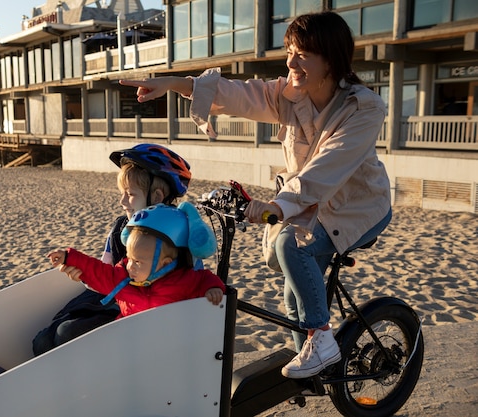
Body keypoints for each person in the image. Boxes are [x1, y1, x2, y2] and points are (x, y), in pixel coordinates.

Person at [119, 11, 392, 379]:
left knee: (290, 248)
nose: (292, 62)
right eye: (290, 51)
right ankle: (317, 369)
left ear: (332, 58)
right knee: (292, 295)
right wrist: (173, 83)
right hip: (310, 203)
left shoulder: (364, 107)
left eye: (303, 54)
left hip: (356, 207)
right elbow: (240, 94)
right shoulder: (291, 95)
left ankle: (322, 340)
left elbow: (326, 168)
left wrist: (278, 206)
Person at [32, 143, 193, 355]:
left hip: (138, 309)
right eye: (122, 193)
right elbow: (104, 271)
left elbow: (192, 284)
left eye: (130, 194)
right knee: (42, 340)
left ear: (157, 196)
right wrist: (81, 273)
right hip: (110, 293)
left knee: (65, 334)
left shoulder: (178, 234)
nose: (122, 201)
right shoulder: (120, 228)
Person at [46, 203, 225, 320]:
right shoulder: (123, 278)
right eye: (129, 258)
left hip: (167, 345)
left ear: (164, 264)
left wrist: (214, 289)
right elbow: (99, 271)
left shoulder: (183, 281)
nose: (130, 265)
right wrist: (70, 257)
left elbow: (204, 279)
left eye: (138, 261)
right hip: (129, 340)